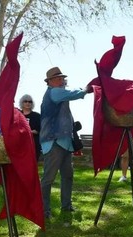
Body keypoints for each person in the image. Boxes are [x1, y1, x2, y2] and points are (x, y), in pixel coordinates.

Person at [40, 67, 92, 219]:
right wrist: (86, 90)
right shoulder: (55, 92)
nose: (61, 80)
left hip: (64, 141)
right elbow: (72, 94)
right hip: (54, 141)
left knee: (67, 175)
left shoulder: (58, 93)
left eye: (62, 78)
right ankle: (44, 211)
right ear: (49, 82)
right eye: (57, 78)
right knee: (48, 178)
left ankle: (66, 205)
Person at [19, 94, 41, 162]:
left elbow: (40, 129)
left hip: (33, 144)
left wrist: (31, 132)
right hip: (20, 144)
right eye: (25, 101)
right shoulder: (17, 115)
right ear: (22, 103)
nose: (28, 103)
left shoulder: (37, 116)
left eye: (30, 102)